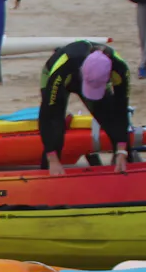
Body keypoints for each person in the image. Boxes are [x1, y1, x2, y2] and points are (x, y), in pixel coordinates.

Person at [37, 41, 132, 176]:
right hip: (60, 77)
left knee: (112, 123)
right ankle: (48, 171)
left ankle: (124, 167)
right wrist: (52, 159)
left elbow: (121, 110)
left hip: (88, 77)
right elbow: (48, 116)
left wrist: (122, 150)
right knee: (56, 129)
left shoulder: (120, 68)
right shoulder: (63, 68)